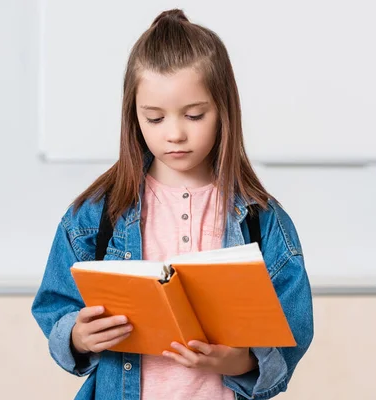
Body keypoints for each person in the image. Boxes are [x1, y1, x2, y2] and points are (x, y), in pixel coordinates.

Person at [32, 8, 314, 400]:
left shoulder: (261, 220)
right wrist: (78, 335)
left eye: (194, 115)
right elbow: (54, 306)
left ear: (223, 112)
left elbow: (291, 333)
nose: (175, 134)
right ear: (134, 117)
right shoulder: (96, 215)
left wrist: (240, 362)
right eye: (155, 118)